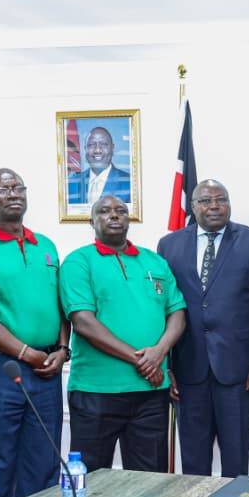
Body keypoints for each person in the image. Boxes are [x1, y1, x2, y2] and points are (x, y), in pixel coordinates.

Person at [0, 169, 69, 497]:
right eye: (3, 189)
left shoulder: (47, 246)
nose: (12, 194)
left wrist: (64, 350)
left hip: (48, 371)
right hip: (2, 369)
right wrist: (24, 352)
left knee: (44, 457)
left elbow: (61, 305)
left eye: (18, 187)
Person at [157, 179, 249, 477]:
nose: (214, 206)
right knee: (193, 460)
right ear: (193, 207)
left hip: (239, 373)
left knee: (236, 459)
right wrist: (166, 365)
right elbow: (161, 309)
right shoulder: (169, 245)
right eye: (205, 201)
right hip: (188, 371)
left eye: (221, 199)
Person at [60, 195, 186, 473]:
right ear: (92, 221)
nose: (114, 215)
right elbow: (83, 322)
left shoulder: (155, 261)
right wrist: (143, 360)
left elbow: (177, 313)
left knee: (149, 483)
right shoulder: (78, 262)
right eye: (104, 211)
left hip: (151, 392)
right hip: (96, 392)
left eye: (121, 211)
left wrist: (160, 352)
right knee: (92, 481)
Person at [68, 126, 131, 206]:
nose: (97, 150)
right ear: (85, 149)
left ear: (112, 148)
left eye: (104, 144)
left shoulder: (129, 184)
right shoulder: (71, 183)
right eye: (91, 144)